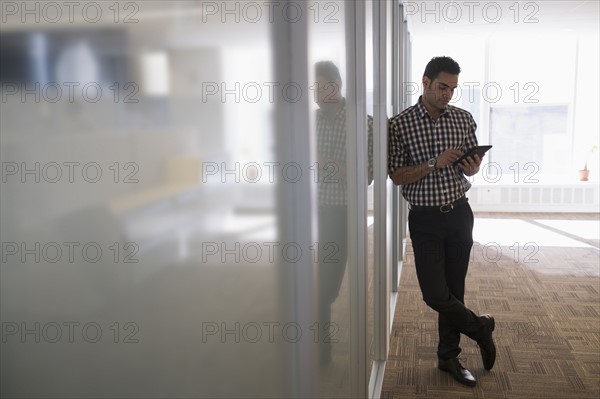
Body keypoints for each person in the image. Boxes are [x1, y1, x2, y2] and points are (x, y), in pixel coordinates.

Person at [388, 56, 496, 387]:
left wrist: (471, 166)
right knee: (434, 293)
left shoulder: (463, 119)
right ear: (425, 82)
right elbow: (396, 175)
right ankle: (479, 328)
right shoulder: (400, 124)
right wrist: (434, 163)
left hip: (459, 214)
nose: (447, 94)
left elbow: (468, 165)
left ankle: (448, 356)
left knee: (454, 289)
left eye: (452, 88)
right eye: (442, 87)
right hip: (425, 219)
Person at [314, 61, 373, 364]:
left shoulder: (358, 121)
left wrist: (324, 163)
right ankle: (320, 350)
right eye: (313, 87)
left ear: (335, 86)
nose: (316, 93)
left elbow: (362, 175)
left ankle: (329, 351)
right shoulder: (312, 121)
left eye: (321, 86)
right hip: (314, 210)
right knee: (317, 283)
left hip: (342, 212)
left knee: (328, 285)